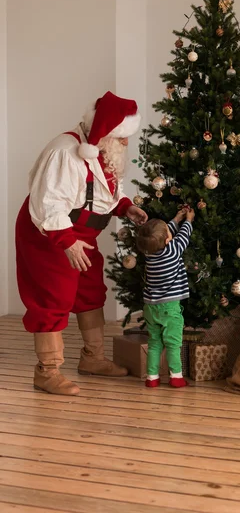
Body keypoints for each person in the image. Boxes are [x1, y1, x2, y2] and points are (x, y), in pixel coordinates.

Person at [15, 91, 148, 396]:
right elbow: (49, 203)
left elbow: (104, 192)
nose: (126, 143)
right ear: (105, 133)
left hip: (82, 235)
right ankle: (46, 372)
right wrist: (67, 241)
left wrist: (124, 207)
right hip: (49, 234)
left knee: (89, 290)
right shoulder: (65, 152)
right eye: (122, 137)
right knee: (54, 297)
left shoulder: (103, 151)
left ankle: (93, 358)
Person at [136, 207, 194, 388]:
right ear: (168, 240)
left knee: (154, 343)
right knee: (172, 343)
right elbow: (183, 236)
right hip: (170, 308)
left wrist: (176, 218)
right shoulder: (173, 250)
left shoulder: (148, 254)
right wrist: (188, 220)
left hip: (151, 307)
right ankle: (176, 376)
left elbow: (162, 236)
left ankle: (152, 378)